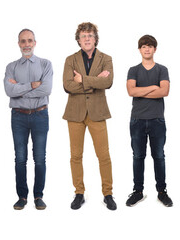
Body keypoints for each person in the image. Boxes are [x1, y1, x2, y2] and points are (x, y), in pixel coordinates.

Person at [63, 22, 116, 210]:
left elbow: (108, 81)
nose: (87, 38)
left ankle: (108, 193)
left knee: (104, 155)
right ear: (78, 39)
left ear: (96, 38)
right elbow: (68, 85)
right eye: (84, 35)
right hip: (75, 113)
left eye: (90, 35)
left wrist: (83, 79)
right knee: (75, 156)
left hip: (98, 111)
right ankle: (79, 192)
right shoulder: (70, 59)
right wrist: (96, 81)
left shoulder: (106, 58)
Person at [3, 29, 53, 210]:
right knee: (20, 159)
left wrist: (20, 89)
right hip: (18, 116)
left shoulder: (45, 64)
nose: (26, 44)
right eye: (23, 41)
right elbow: (9, 91)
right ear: (18, 44)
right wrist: (32, 85)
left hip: (40, 115)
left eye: (29, 40)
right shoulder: (11, 67)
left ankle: (38, 196)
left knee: (40, 158)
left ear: (35, 42)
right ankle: (22, 197)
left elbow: (46, 90)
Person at [125, 35, 172, 207]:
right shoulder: (133, 70)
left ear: (155, 49)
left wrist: (141, 90)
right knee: (138, 156)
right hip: (137, 120)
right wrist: (153, 87)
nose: (147, 49)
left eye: (150, 46)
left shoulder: (162, 69)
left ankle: (162, 191)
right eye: (144, 46)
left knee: (159, 156)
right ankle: (138, 191)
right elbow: (131, 91)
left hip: (157, 120)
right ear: (139, 49)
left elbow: (164, 92)